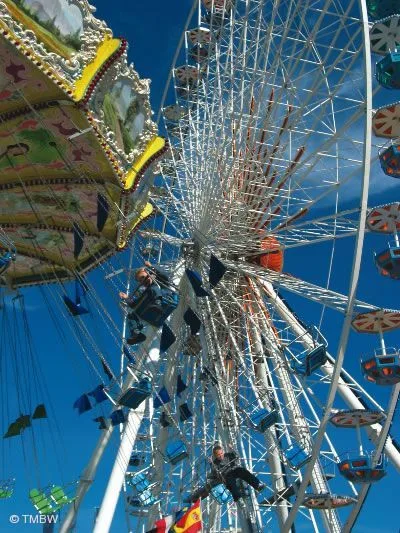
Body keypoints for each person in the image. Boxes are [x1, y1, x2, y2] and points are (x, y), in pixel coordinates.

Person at [189, 444, 265, 504]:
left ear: (223, 452)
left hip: (234, 470)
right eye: (218, 455)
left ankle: (257, 485)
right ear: (215, 456)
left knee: (243, 471)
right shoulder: (215, 463)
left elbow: (236, 456)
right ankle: (238, 497)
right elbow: (215, 473)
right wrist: (211, 464)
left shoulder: (228, 455)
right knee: (230, 482)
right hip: (226, 475)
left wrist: (232, 449)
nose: (221, 455)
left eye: (221, 453)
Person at [119, 262, 172, 345]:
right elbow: (135, 304)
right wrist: (126, 298)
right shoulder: (146, 292)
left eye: (143, 277)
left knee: (152, 287)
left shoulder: (159, 281)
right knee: (131, 316)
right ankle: (137, 334)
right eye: (140, 281)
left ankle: (158, 303)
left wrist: (151, 267)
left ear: (150, 274)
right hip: (152, 312)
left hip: (165, 298)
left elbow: (164, 275)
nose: (143, 281)